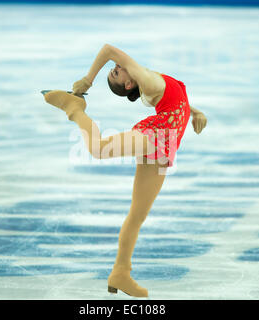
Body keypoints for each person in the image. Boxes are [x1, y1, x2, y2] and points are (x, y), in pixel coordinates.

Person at [43, 44, 207, 297]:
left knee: (137, 215)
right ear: (129, 84)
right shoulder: (147, 81)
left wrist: (194, 110)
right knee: (98, 149)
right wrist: (87, 82)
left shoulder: (146, 77)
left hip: (165, 145)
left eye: (115, 70)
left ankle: (121, 272)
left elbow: (178, 98)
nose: (117, 67)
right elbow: (109, 49)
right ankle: (74, 108)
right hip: (156, 134)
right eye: (117, 73)